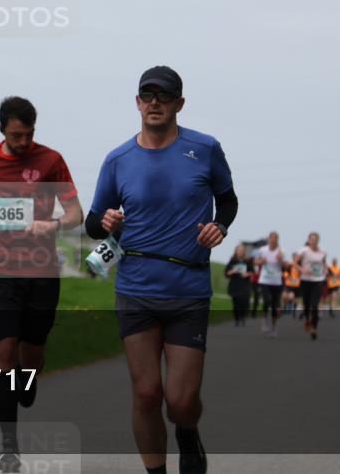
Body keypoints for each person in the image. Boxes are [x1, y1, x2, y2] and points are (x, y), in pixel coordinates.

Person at [85, 66, 238, 474]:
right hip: (136, 286)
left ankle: (187, 433)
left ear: (178, 104)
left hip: (188, 286)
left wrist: (219, 226)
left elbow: (228, 201)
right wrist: (108, 223)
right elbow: (92, 222)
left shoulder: (205, 148)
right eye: (147, 96)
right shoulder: (118, 159)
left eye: (163, 96)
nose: (154, 103)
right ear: (137, 103)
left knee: (181, 401)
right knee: (147, 392)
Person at [0, 96, 83, 472]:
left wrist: (51, 224)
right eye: (16, 135)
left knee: (29, 354)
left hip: (41, 272)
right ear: (1, 129)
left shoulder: (50, 160)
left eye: (29, 135)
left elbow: (74, 213)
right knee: (4, 352)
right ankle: (9, 447)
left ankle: (30, 371)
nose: (23, 143)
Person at [296, 233, 328, 340]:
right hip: (305, 280)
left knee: (314, 306)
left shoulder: (323, 252)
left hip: (318, 280)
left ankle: (314, 328)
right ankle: (307, 320)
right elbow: (295, 263)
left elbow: (324, 263)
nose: (313, 241)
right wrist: (302, 269)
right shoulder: (303, 251)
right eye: (311, 239)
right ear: (308, 241)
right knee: (306, 305)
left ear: (318, 241)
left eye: (315, 240)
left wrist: (324, 270)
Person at [254, 232, 284, 338]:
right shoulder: (262, 250)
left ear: (277, 240)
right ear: (268, 239)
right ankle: (265, 319)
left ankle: (274, 327)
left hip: (276, 281)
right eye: (271, 238)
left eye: (275, 239)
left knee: (275, 305)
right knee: (266, 301)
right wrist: (261, 261)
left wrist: (281, 259)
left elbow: (285, 265)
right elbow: (255, 261)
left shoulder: (280, 251)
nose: (272, 240)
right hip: (264, 280)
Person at [224, 244, 252, 327]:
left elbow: (252, 272)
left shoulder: (248, 261)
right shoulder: (232, 261)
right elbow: (226, 273)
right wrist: (233, 271)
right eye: (239, 250)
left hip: (245, 286)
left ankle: (243, 317)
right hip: (235, 285)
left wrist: (247, 274)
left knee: (244, 303)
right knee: (236, 304)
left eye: (242, 250)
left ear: (244, 252)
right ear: (236, 251)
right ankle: (237, 320)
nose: (240, 252)